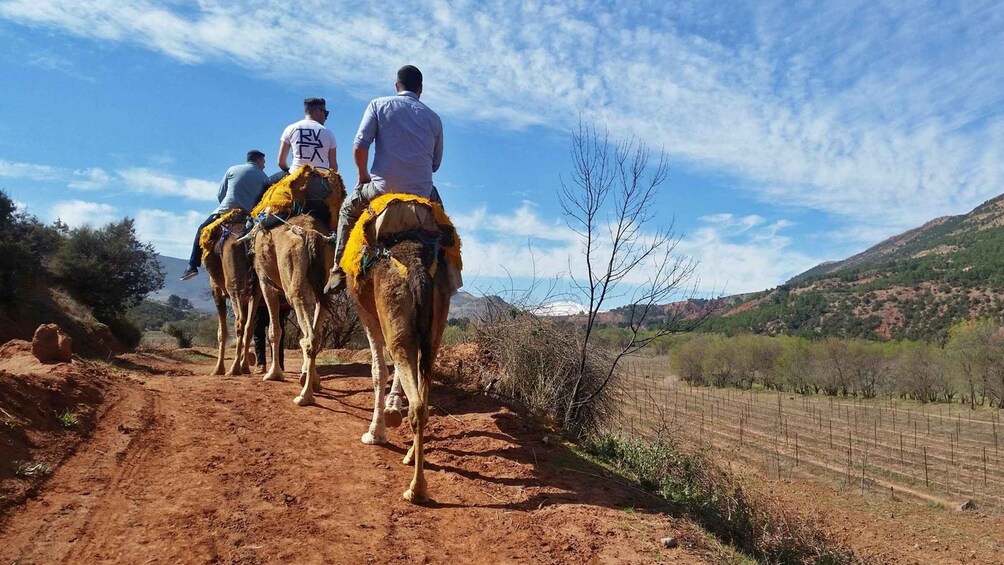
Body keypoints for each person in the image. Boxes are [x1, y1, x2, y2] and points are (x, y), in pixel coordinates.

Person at [324, 65, 444, 293]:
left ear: (396, 86)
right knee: (444, 226)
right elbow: (435, 165)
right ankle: (446, 271)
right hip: (422, 193)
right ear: (421, 89)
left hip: (382, 189)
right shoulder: (434, 118)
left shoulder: (379, 105)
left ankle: (338, 269)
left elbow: (360, 147)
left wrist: (362, 176)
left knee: (347, 211)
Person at [181, 150, 270, 281]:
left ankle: (192, 266)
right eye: (264, 161)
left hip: (225, 211)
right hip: (249, 215)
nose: (264, 165)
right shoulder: (264, 178)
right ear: (258, 160)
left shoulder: (232, 170)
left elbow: (220, 194)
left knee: (201, 229)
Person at [276, 97, 338, 226]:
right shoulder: (329, 133)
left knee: (267, 194)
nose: (326, 117)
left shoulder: (290, 128)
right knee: (340, 215)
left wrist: (290, 173)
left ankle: (251, 227)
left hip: (295, 182)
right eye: (325, 113)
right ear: (317, 111)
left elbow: (281, 161)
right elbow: (333, 167)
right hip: (321, 185)